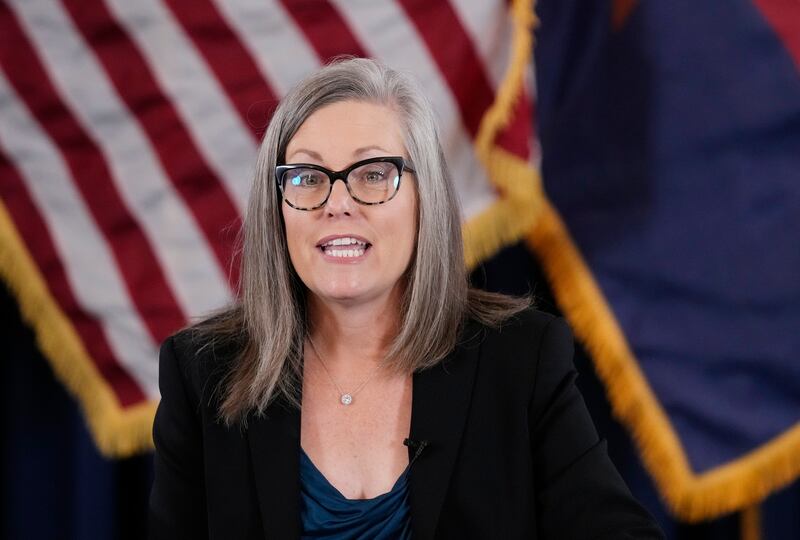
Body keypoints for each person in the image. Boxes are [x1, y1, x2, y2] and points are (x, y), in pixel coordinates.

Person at [148, 58, 664, 540]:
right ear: (277, 209)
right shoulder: (202, 373)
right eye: (307, 178)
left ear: (425, 201)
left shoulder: (521, 360)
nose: (337, 203)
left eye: (373, 174)